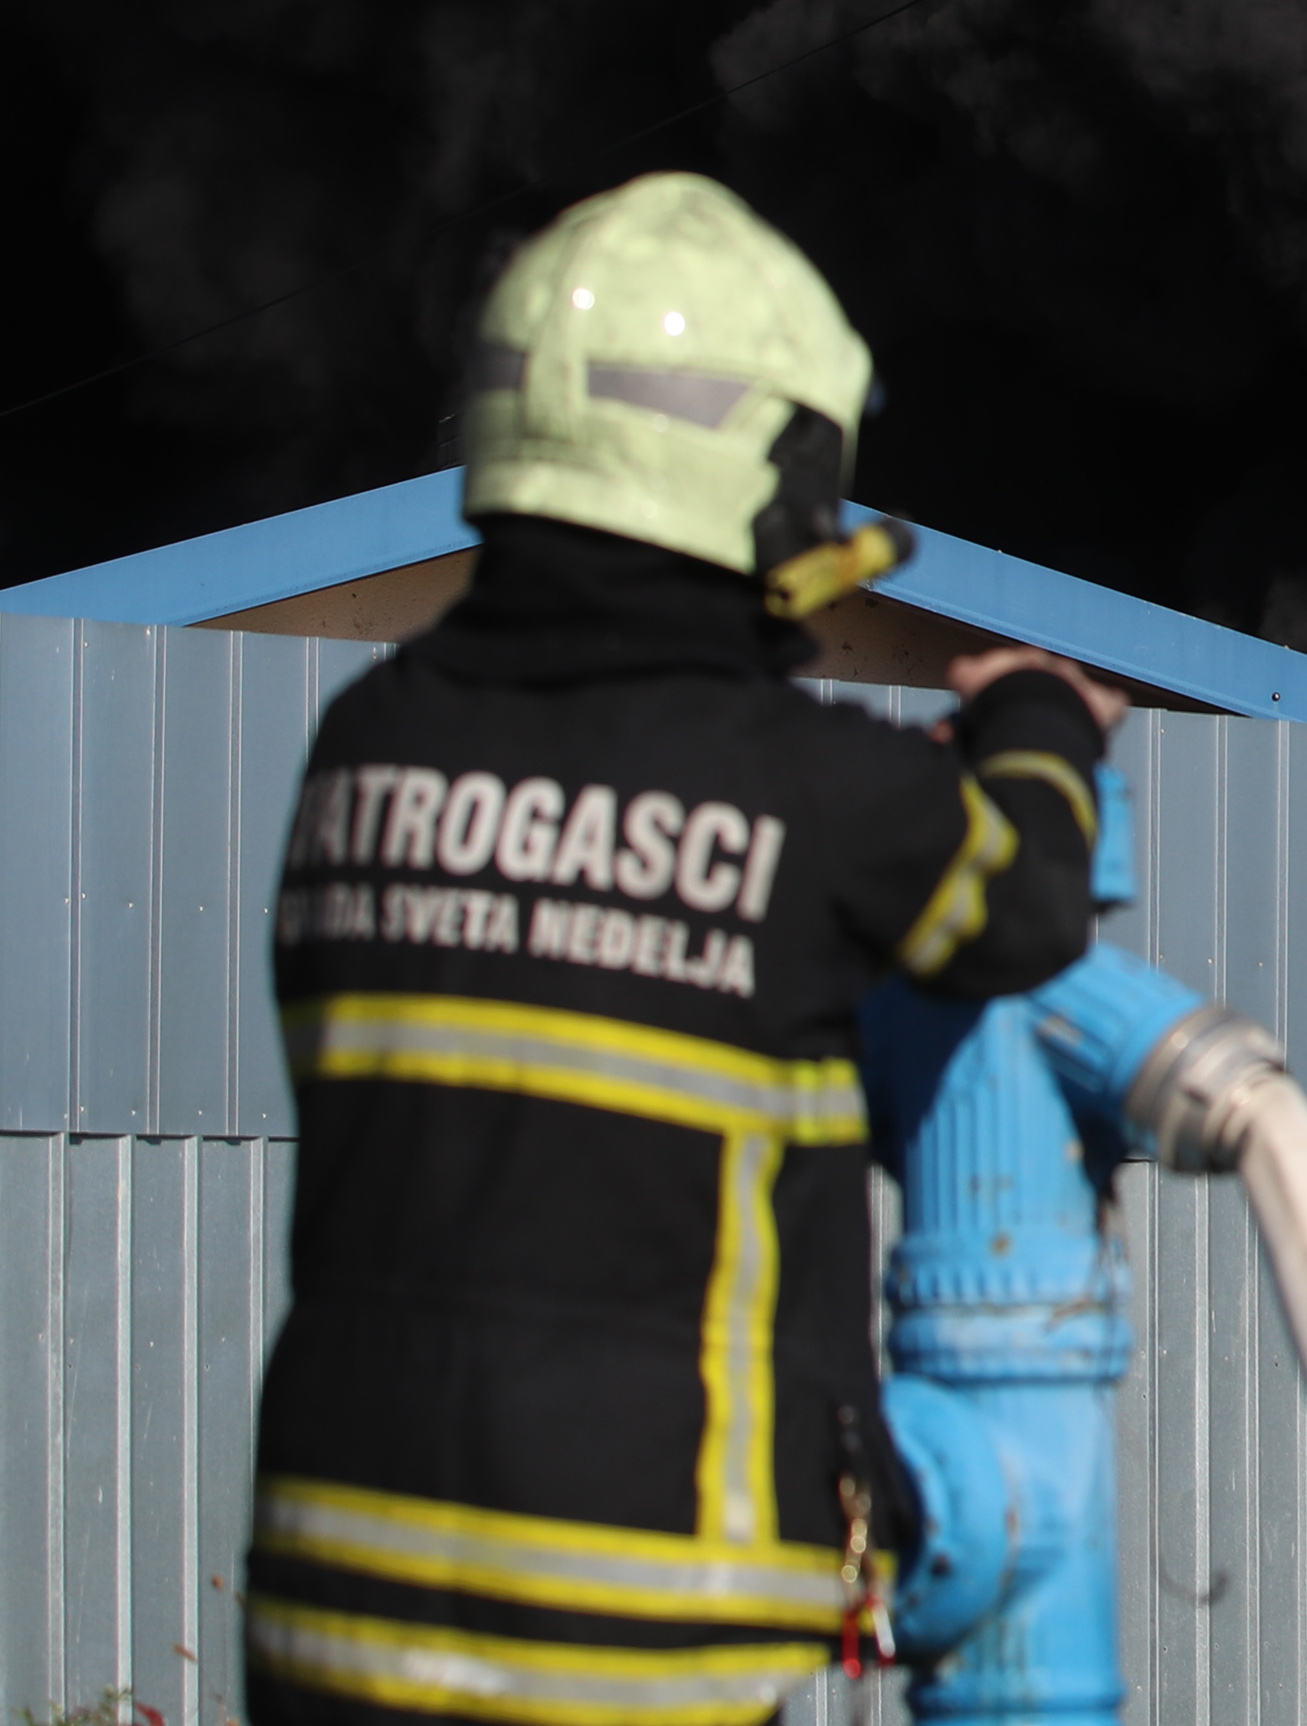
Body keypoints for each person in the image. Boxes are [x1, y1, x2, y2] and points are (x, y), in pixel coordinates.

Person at [243, 173, 1127, 1726]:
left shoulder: (363, 741)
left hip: (336, 1617)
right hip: (635, 1630)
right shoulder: (809, 789)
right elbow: (1027, 896)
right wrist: (1041, 720)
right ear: (785, 479)